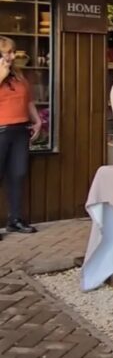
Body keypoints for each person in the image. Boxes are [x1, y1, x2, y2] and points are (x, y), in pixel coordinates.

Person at [0, 37, 42, 236]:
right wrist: (2, 74)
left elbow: (28, 100)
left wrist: (37, 120)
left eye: (12, 51)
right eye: (7, 52)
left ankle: (15, 219)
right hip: (1, 130)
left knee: (18, 174)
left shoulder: (18, 74)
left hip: (20, 130)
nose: (11, 56)